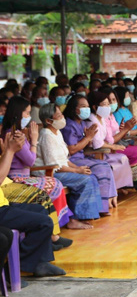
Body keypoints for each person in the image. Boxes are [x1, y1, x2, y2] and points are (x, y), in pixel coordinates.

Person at [1, 96, 75, 234]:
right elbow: (30, 161)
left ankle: (55, 229)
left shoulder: (18, 132)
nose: (29, 117)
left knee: (54, 183)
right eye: (27, 113)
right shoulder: (13, 134)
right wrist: (34, 140)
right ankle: (54, 230)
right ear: (17, 113)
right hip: (17, 178)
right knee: (52, 185)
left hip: (24, 176)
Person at [0, 130, 66, 277]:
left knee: (40, 210)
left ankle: (41, 263)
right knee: (44, 222)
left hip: (3, 203)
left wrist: (7, 150)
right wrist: (10, 151)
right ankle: (12, 270)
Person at [36, 103, 103, 226]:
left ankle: (89, 214)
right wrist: (77, 171)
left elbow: (64, 159)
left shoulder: (57, 132)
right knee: (85, 180)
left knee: (91, 176)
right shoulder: (46, 135)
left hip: (61, 170)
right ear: (48, 120)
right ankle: (75, 219)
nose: (62, 118)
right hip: (49, 173)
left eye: (61, 114)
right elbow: (54, 165)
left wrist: (78, 168)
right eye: (59, 116)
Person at [62, 95, 118, 214]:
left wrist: (89, 139)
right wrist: (87, 138)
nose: (86, 109)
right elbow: (71, 150)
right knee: (101, 168)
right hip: (71, 160)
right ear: (74, 109)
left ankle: (110, 199)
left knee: (105, 165)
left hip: (82, 157)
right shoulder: (69, 124)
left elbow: (84, 143)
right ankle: (102, 207)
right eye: (83, 106)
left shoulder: (81, 123)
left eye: (87, 106)